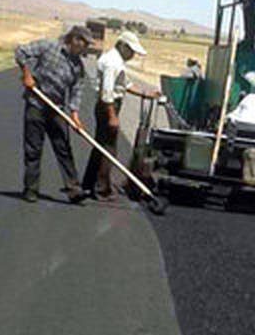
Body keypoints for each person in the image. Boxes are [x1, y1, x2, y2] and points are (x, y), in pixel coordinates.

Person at [14, 25, 93, 203]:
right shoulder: (48, 46)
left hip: (57, 109)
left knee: (63, 148)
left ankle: (74, 189)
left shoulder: (78, 67)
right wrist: (26, 75)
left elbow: (77, 91)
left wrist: (74, 116)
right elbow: (20, 51)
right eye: (85, 43)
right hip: (36, 104)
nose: (86, 48)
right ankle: (31, 189)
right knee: (33, 150)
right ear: (75, 40)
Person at [81, 30, 159, 200]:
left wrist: (145, 93)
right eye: (131, 51)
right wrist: (112, 116)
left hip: (109, 106)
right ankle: (101, 189)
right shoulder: (112, 63)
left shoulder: (116, 61)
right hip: (108, 107)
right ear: (122, 46)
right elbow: (107, 92)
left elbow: (125, 84)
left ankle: (88, 184)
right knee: (108, 149)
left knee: (101, 146)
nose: (132, 55)